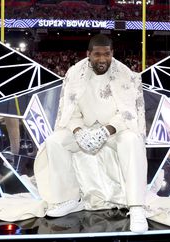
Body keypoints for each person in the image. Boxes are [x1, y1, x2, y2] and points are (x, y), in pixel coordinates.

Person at [36, 34, 148, 233]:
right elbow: (69, 111)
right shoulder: (74, 73)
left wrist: (106, 131)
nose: (102, 59)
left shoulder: (126, 74)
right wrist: (79, 132)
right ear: (88, 54)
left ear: (112, 53)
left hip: (114, 132)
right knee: (55, 141)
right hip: (85, 131)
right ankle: (68, 199)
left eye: (107, 54)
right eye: (97, 54)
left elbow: (129, 114)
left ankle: (137, 207)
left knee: (131, 140)